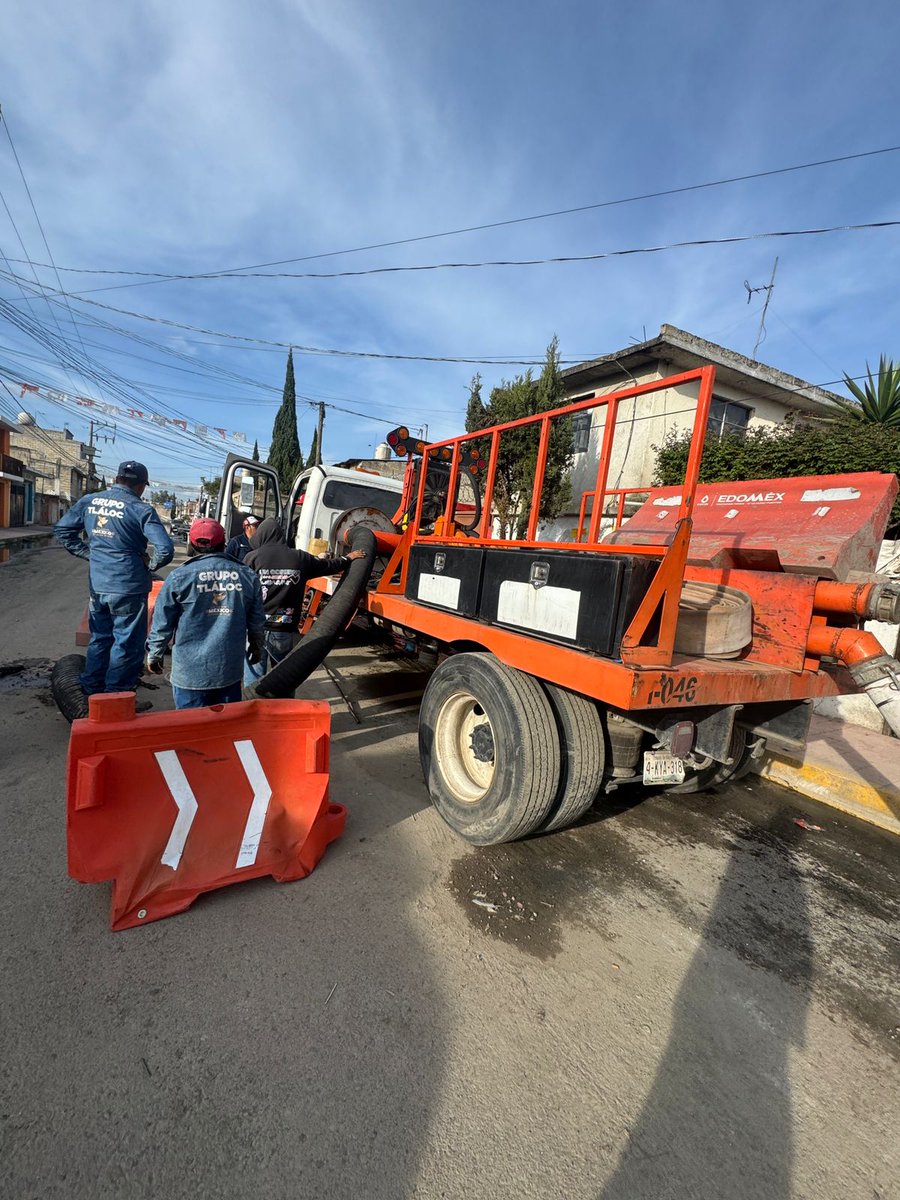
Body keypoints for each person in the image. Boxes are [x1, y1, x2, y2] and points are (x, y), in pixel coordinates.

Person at [55, 460, 174, 697]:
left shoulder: (90, 501)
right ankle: (116, 695)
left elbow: (63, 530)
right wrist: (148, 566)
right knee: (126, 642)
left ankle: (91, 688)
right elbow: (165, 550)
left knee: (100, 637)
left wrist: (89, 554)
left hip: (99, 584)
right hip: (129, 586)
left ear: (117, 479)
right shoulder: (140, 509)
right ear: (141, 485)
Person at [146, 518, 266, 709]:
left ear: (192, 544)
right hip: (228, 671)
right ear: (223, 542)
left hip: (189, 674)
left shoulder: (179, 577)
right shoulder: (246, 575)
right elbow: (257, 620)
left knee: (192, 725)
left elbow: (163, 622)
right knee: (224, 724)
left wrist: (155, 653)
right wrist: (257, 646)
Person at [243, 517, 365, 682]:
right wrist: (347, 558)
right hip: (283, 628)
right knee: (284, 678)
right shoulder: (299, 557)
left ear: (262, 535)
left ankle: (254, 699)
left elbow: (241, 593)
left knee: (254, 679)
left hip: (255, 629)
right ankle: (284, 698)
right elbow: (328, 566)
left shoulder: (251, 558)